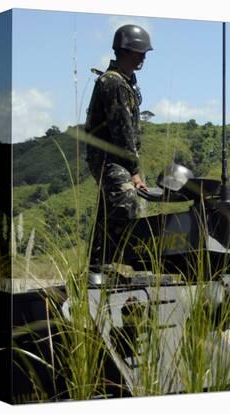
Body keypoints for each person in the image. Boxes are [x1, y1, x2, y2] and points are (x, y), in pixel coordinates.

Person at [85, 24, 153, 269]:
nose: (143, 57)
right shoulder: (113, 83)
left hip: (117, 158)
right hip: (109, 157)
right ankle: (107, 265)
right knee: (125, 203)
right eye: (139, 52)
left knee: (113, 209)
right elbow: (122, 130)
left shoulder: (126, 82)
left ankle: (98, 267)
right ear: (126, 51)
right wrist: (134, 170)